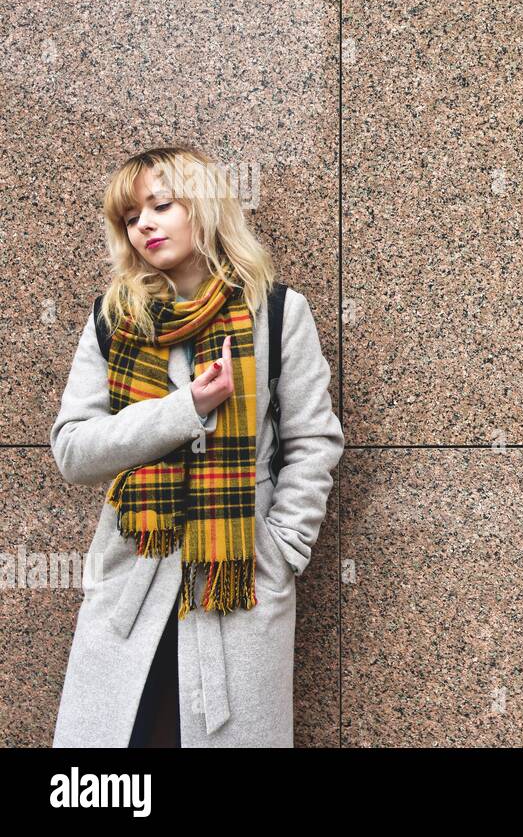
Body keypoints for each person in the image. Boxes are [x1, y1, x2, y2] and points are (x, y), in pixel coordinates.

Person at [50, 145, 344, 747]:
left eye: (162, 205)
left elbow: (314, 441)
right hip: (133, 572)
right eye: (132, 217)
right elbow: (73, 450)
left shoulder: (277, 312)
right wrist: (184, 410)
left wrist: (283, 546)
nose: (145, 226)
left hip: (235, 576)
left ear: (205, 209)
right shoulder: (115, 320)